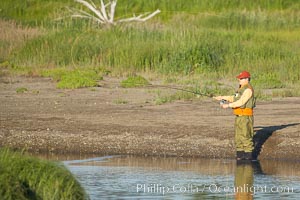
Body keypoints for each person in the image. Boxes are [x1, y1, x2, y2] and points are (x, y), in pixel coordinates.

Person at [214, 71, 255, 160]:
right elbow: (234, 98)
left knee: (246, 137)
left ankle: (248, 159)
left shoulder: (248, 90)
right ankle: (240, 157)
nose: (239, 80)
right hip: (238, 117)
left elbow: (241, 102)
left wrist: (228, 105)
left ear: (247, 79)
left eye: (241, 78)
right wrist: (222, 97)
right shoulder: (241, 88)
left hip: (246, 118)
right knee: (238, 137)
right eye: (239, 78)